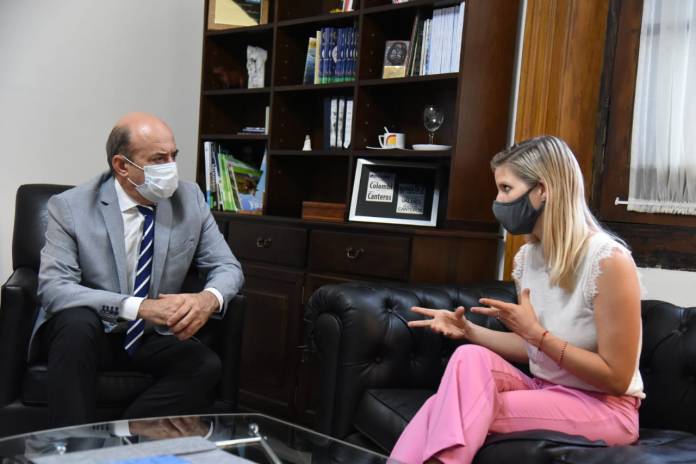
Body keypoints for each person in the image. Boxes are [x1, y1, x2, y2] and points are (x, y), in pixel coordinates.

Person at [390, 136, 644, 464]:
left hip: (605, 406)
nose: (498, 201)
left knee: (452, 409)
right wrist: (468, 330)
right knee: (469, 356)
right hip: (544, 388)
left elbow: (617, 377)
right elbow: (533, 350)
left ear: (542, 190)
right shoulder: (527, 259)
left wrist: (537, 334)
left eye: (506, 189)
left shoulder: (609, 261)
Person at [31, 112, 244, 428]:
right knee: (76, 325)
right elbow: (54, 288)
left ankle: (123, 438)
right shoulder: (71, 207)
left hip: (150, 334)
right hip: (94, 329)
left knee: (204, 365)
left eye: (173, 156)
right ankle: (77, 446)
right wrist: (140, 307)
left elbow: (227, 266)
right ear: (121, 166)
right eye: (159, 159)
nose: (171, 167)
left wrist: (207, 299)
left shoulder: (190, 199)